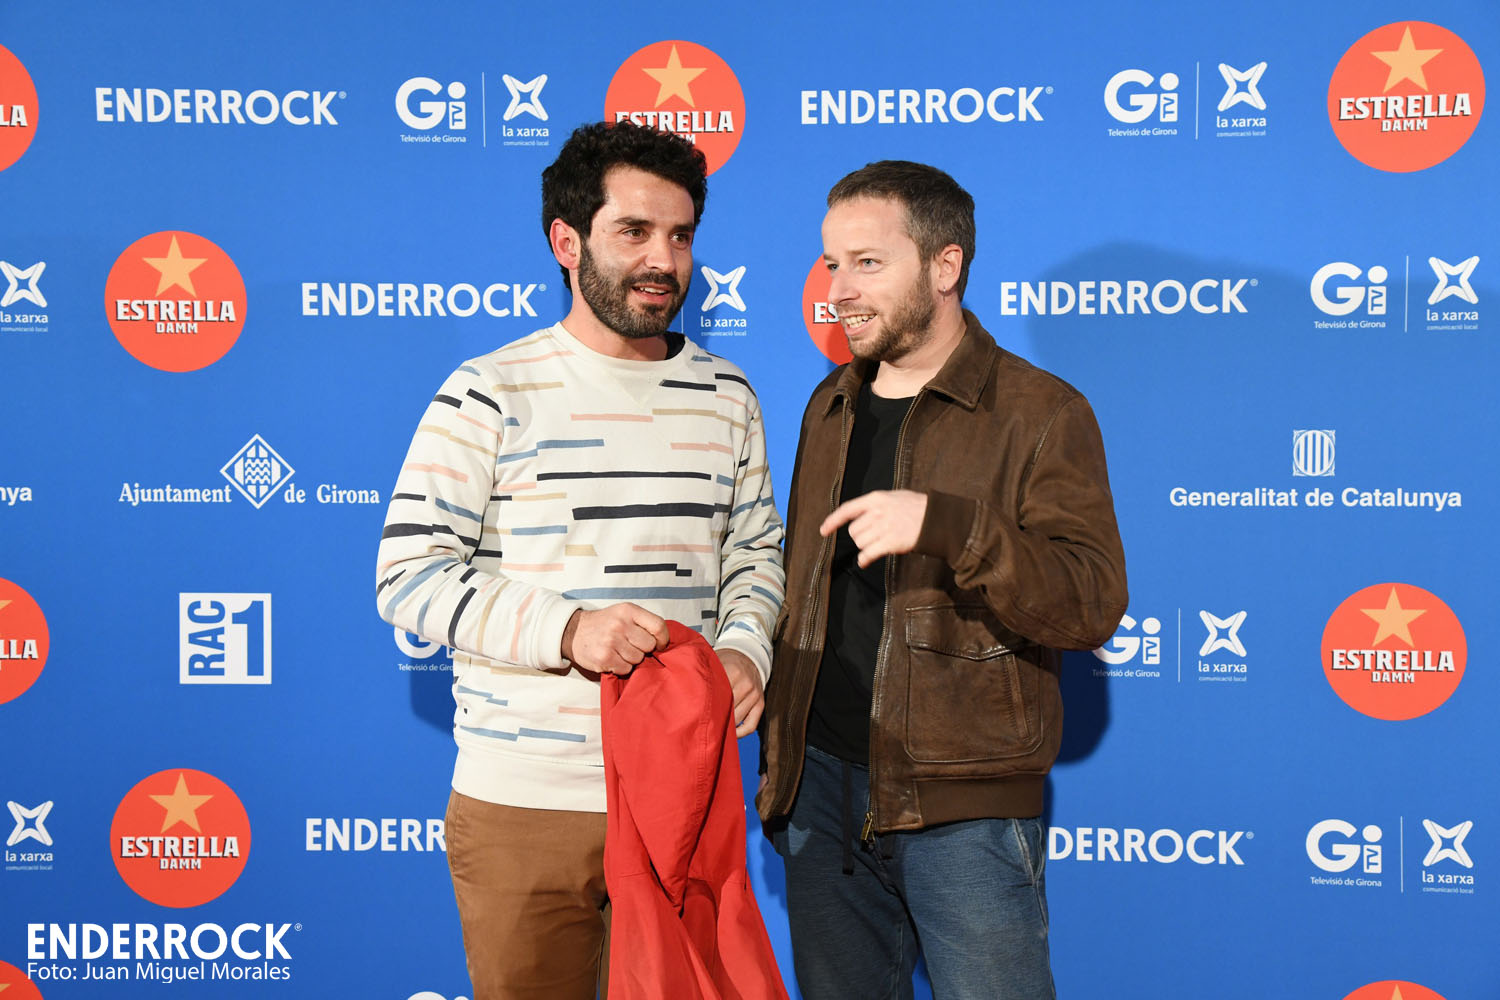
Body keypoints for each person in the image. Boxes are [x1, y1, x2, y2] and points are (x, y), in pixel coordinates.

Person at [376, 120, 784, 1000]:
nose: (663, 260)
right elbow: (409, 575)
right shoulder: (490, 389)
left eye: (680, 235)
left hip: (685, 799)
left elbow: (754, 552)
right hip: (530, 803)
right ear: (568, 242)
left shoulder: (729, 394)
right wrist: (570, 630)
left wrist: (747, 650)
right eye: (633, 231)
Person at [756, 160, 1128, 1000]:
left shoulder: (1041, 412)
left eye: (868, 263)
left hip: (963, 804)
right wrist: (781, 766)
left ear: (945, 265)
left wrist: (951, 527)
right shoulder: (829, 405)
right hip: (820, 796)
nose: (839, 291)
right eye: (832, 264)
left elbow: (1092, 600)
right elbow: (802, 589)